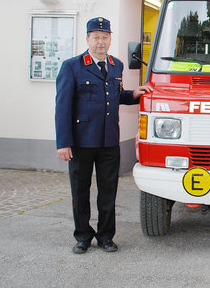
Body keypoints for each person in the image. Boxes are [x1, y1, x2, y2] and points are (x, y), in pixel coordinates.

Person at [55, 17, 152, 254]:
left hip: (109, 140)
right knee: (80, 191)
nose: (101, 41)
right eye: (96, 37)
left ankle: (106, 236)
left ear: (110, 40)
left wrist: (134, 94)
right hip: (81, 141)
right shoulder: (72, 66)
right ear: (87, 39)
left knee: (108, 191)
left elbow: (115, 96)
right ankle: (82, 236)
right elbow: (62, 106)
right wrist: (64, 143)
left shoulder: (116, 65)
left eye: (105, 37)